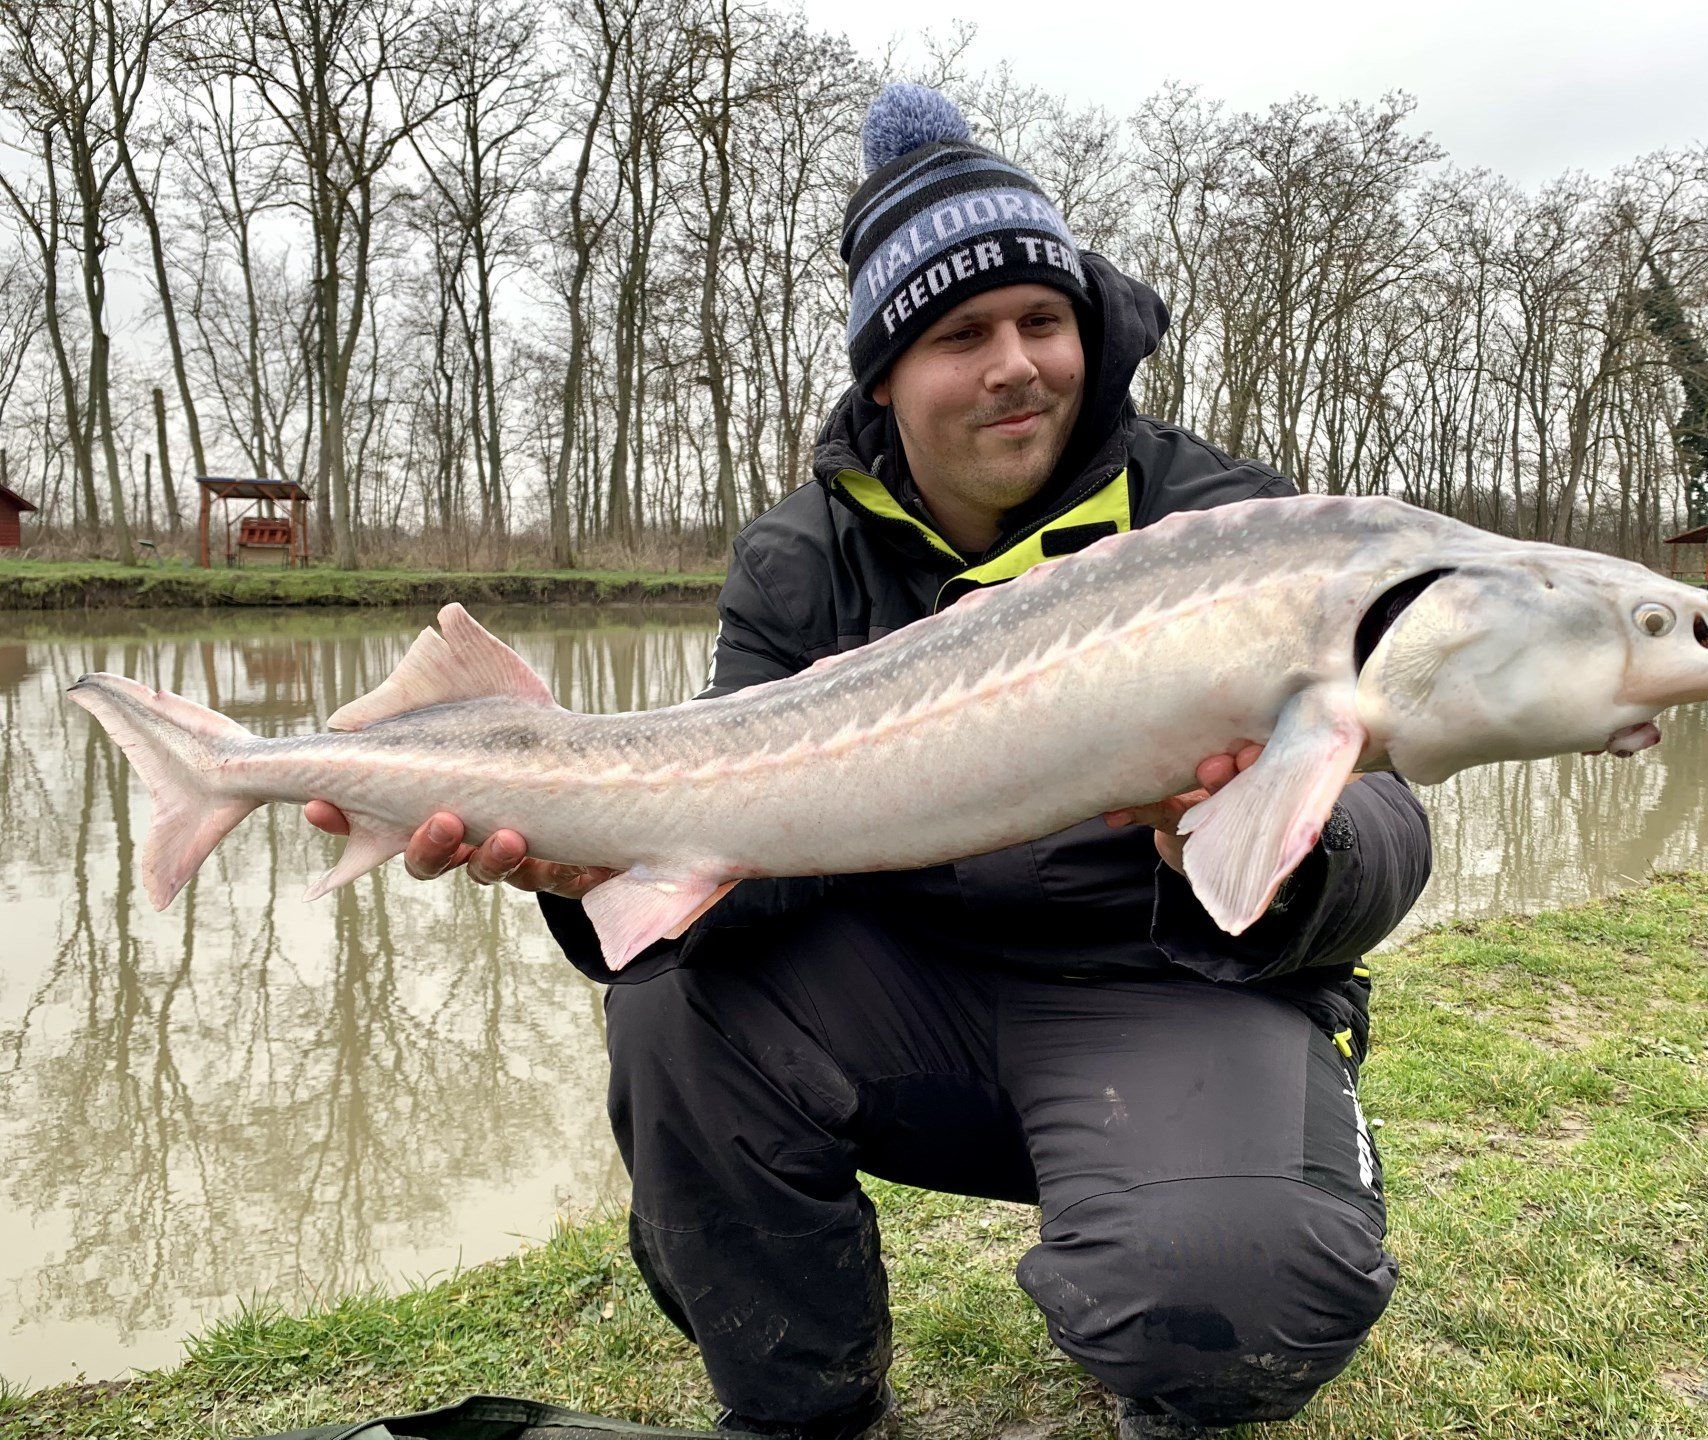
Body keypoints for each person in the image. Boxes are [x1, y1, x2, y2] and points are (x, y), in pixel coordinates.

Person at [307, 84, 1433, 1440]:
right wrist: (583, 858)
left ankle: (1173, 1329)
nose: (1018, 363)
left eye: (1044, 319)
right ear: (887, 374)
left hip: (1165, 988)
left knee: (1235, 1293)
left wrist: (1271, 840)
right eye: (963, 335)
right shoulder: (803, 556)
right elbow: (754, 865)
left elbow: (1391, 830)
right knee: (670, 1005)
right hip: (912, 1001)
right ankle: (816, 1413)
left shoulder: (1223, 519)